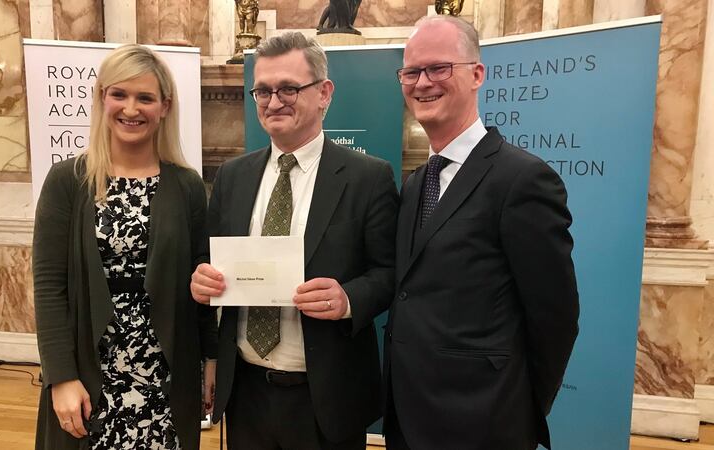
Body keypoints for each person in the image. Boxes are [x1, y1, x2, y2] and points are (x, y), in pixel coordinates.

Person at [189, 31, 398, 450]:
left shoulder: (367, 177)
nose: (274, 101)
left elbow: (392, 271)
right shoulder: (233, 176)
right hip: (245, 392)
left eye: (288, 88)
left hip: (326, 396)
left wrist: (348, 299)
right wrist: (202, 282)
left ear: (324, 93)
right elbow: (207, 261)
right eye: (263, 90)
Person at [384, 16, 580, 450]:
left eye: (439, 68)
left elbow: (555, 316)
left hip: (485, 422)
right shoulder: (417, 182)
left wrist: (520, 408)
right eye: (411, 72)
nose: (422, 83)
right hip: (409, 417)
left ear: (477, 74)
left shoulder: (523, 179)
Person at [32, 44, 218, 450]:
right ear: (102, 98)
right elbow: (49, 287)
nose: (131, 108)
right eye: (120, 94)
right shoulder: (69, 180)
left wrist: (212, 359)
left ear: (164, 107)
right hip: (90, 369)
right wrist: (60, 376)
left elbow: (201, 280)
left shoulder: (186, 185)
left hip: (165, 372)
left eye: (145, 97)